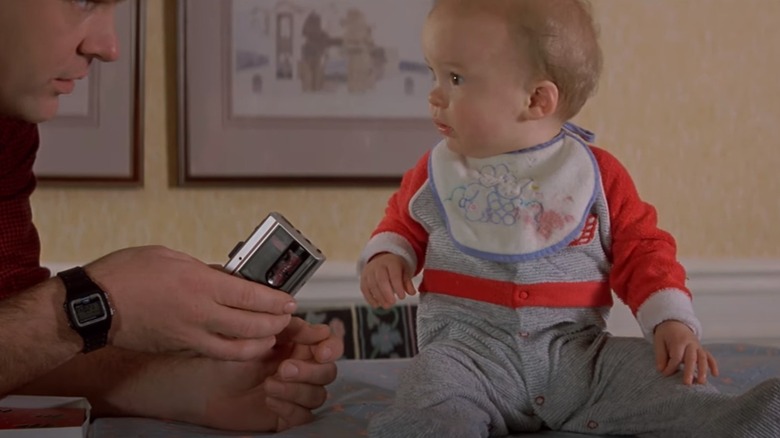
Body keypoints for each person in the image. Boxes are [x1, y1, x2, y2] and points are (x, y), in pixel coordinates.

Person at [358, 0, 780, 436]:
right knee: (429, 393)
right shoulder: (436, 173)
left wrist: (670, 320)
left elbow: (643, 249)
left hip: (579, 358)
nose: (434, 94)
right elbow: (401, 224)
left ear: (537, 99)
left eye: (456, 78)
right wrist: (389, 256)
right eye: (434, 73)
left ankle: (747, 419)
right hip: (467, 357)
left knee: (667, 380)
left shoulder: (595, 176)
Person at [0, 0, 343, 432]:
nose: (108, 47)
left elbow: (18, 345)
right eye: (85, 1)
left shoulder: (8, 133)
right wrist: (94, 303)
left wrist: (194, 388)